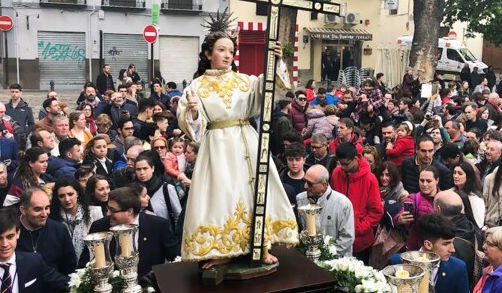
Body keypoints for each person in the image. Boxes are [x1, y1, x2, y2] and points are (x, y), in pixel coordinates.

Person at [176, 31, 298, 267]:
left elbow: (268, 88)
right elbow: (194, 126)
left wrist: (276, 62)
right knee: (222, 195)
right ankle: (223, 251)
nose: (227, 55)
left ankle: (261, 245)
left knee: (254, 192)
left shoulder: (244, 80)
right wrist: (192, 110)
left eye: (231, 51)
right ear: (208, 54)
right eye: (221, 50)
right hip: (218, 147)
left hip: (247, 142)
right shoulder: (197, 86)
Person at [85, 187, 178, 278]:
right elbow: (85, 262)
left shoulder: (158, 226)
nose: (108, 213)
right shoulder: (99, 227)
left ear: (129, 211)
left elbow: (174, 258)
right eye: (108, 208)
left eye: (113, 210)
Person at [331, 141, 383, 263]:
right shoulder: (336, 173)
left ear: (355, 159)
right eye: (340, 163)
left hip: (360, 241)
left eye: (346, 164)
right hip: (337, 238)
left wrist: (357, 229)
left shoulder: (370, 179)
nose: (342, 167)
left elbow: (376, 212)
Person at [15, 188, 77, 277]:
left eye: (47, 208)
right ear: (23, 210)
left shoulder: (59, 230)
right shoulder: (11, 232)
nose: (44, 214)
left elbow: (70, 268)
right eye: (38, 209)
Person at [296, 164, 354, 257]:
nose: (305, 186)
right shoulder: (300, 199)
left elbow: (347, 238)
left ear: (324, 185)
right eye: (305, 181)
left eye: (310, 183)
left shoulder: (343, 204)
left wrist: (326, 256)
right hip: (308, 258)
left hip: (336, 262)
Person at [49, 177, 103, 264]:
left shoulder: (94, 212)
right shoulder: (53, 218)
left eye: (70, 194)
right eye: (61, 196)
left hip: (93, 264)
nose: (67, 199)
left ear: (77, 193)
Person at [414, 214, 470, 293]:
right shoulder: (398, 263)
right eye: (446, 244)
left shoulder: (458, 268)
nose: (452, 250)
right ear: (428, 244)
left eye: (452, 243)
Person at [395, 166, 440, 251]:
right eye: (421, 180)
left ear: (437, 180)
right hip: (416, 249)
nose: (424, 184)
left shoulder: (445, 198)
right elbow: (401, 214)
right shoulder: (413, 198)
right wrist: (399, 219)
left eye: (429, 181)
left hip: (438, 248)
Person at [134, 153, 182, 229]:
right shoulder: (132, 190)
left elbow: (178, 216)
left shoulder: (166, 189)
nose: (142, 173)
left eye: (145, 168)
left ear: (152, 168)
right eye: (138, 169)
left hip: (165, 236)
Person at [452, 161, 486, 228]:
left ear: (468, 176)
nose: (456, 176)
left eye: (460, 174)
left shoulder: (475, 198)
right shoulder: (452, 192)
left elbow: (479, 223)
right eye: (454, 173)